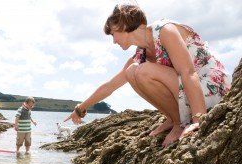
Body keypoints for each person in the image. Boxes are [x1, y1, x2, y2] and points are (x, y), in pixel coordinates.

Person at [65, 3, 231, 147]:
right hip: (193, 91)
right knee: (132, 72)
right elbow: (110, 86)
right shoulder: (141, 54)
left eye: (113, 34)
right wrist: (80, 108)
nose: (114, 41)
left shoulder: (165, 30)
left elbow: (188, 72)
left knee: (143, 71)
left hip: (211, 87)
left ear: (123, 26)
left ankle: (180, 123)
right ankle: (174, 119)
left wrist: (198, 120)